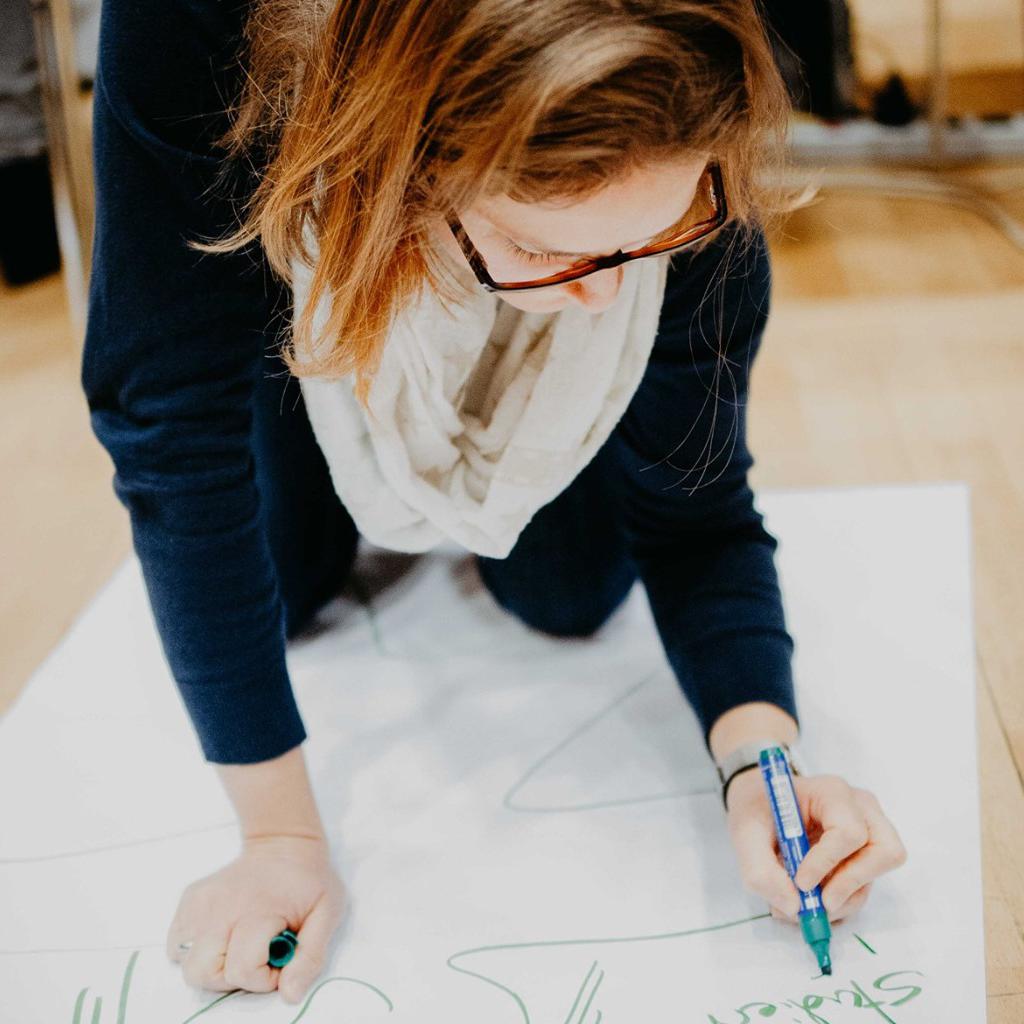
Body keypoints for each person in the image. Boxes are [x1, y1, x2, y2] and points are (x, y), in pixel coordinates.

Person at [82, 0, 907, 1007]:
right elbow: (169, 425)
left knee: (567, 594)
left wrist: (758, 765)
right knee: (283, 585)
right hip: (303, 272)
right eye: (553, 251)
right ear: (409, 170)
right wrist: (278, 838)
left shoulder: (683, 158)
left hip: (531, 215)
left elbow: (697, 510)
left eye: (656, 238)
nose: (608, 299)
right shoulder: (193, 32)